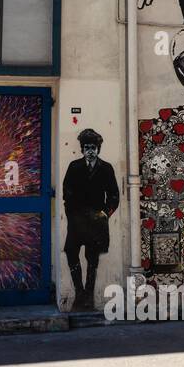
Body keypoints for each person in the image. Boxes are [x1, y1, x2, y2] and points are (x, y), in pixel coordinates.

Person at [62, 128, 120, 311]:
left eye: (93, 147)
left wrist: (105, 213)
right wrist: (72, 214)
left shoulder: (106, 168)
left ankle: (88, 294)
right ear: (82, 149)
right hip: (77, 220)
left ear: (98, 149)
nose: (90, 151)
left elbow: (114, 195)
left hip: (97, 220)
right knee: (72, 253)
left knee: (92, 258)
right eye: (87, 147)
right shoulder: (74, 167)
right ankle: (79, 291)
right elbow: (66, 193)